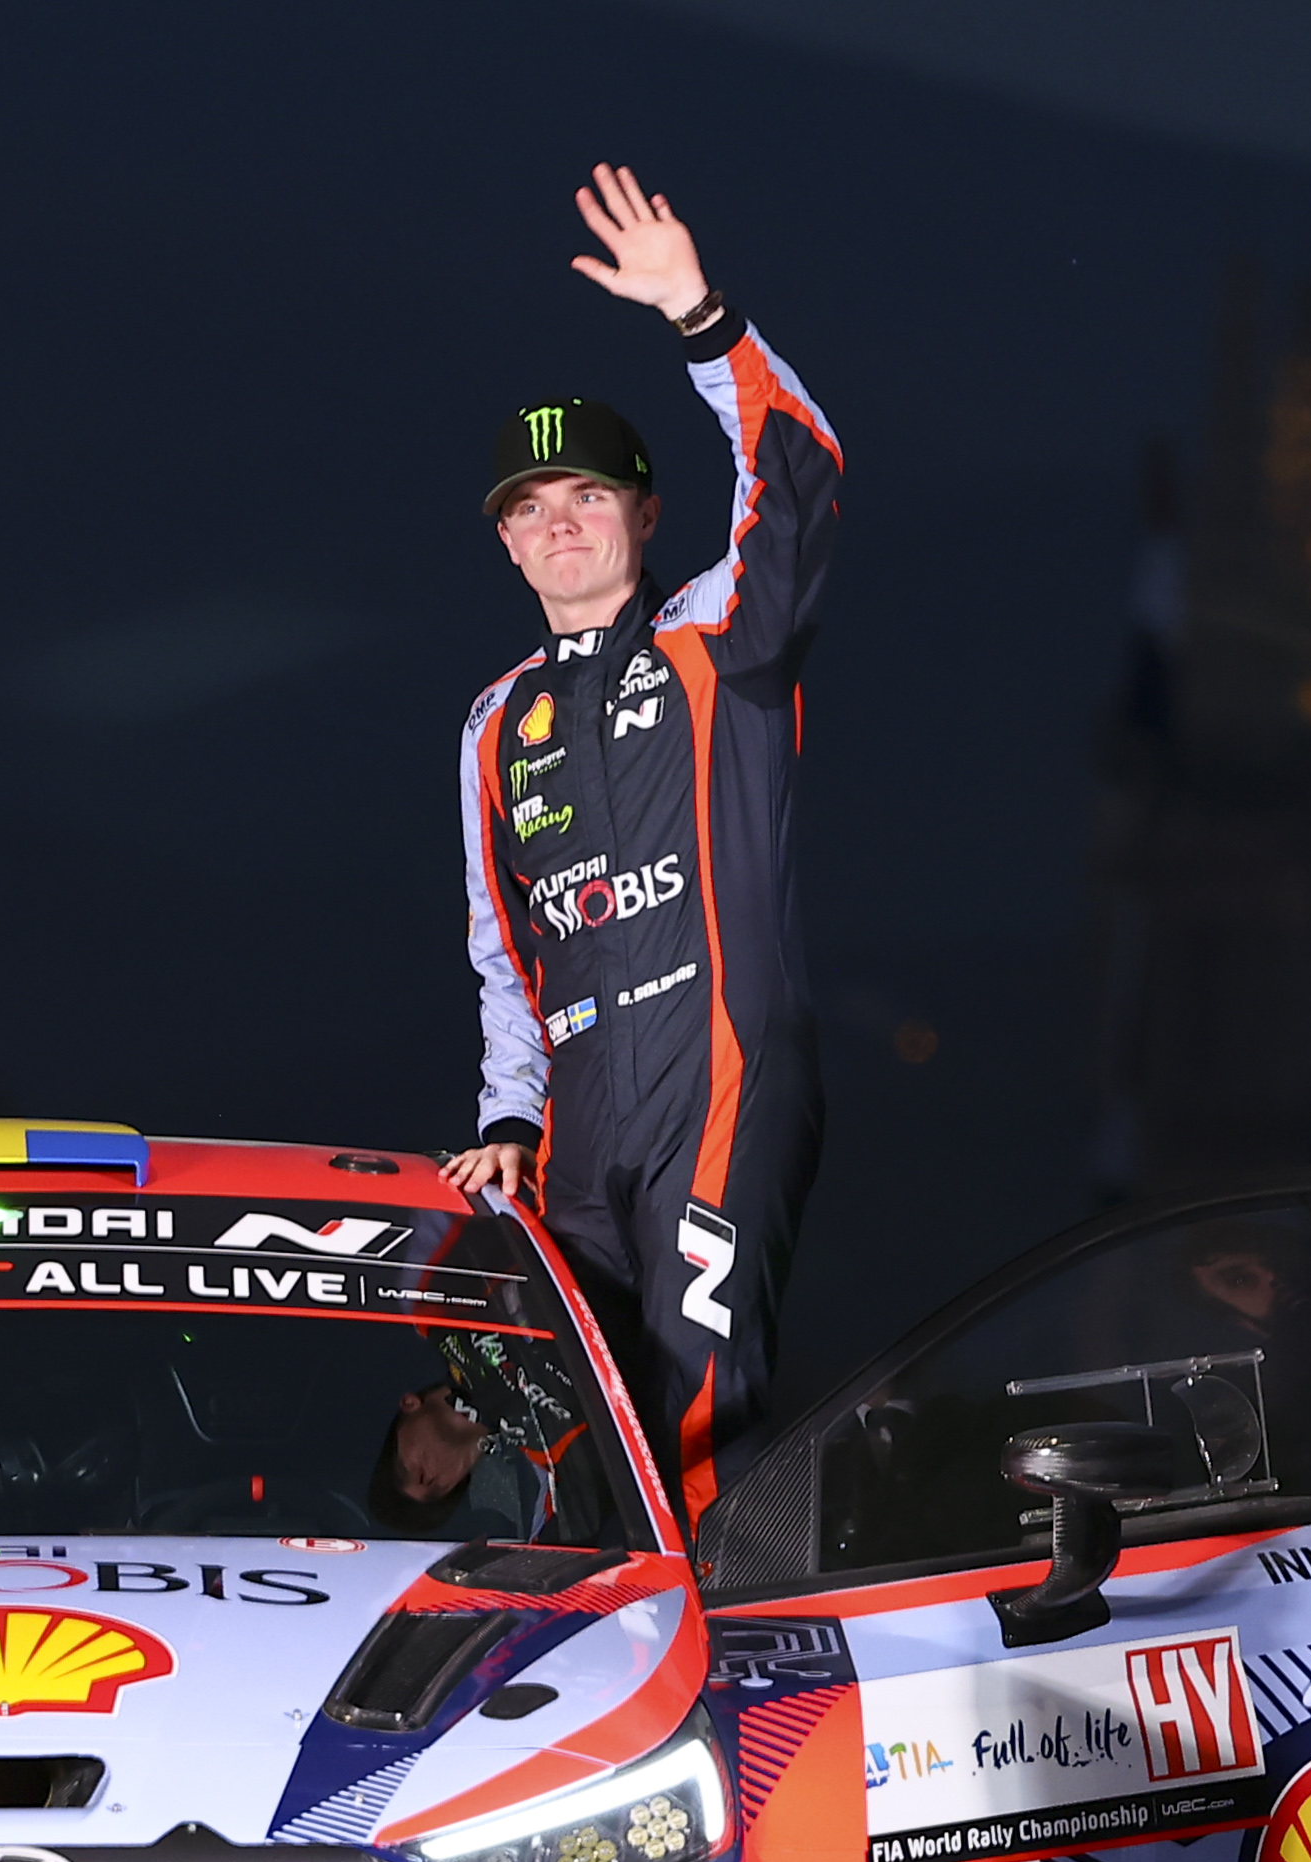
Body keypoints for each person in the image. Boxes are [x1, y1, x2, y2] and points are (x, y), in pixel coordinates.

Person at [441, 163, 841, 1526]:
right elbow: (502, 949)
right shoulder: (492, 723)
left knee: (698, 1404)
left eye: (588, 494)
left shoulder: (717, 637)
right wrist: (507, 1117)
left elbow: (798, 481)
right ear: (506, 545)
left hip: (717, 1064)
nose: (559, 522)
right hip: (580, 1107)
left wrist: (702, 319)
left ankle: (728, 1646)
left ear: (644, 513)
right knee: (558, 1425)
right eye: (529, 508)